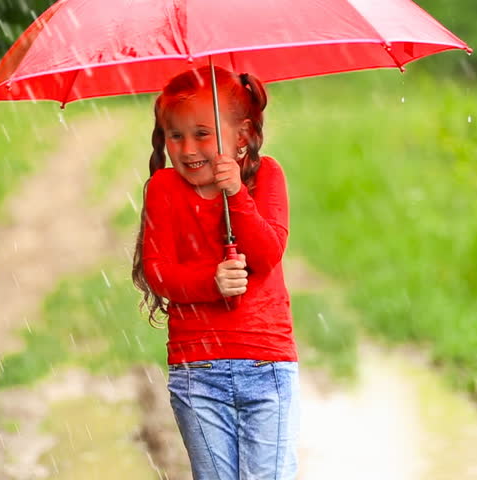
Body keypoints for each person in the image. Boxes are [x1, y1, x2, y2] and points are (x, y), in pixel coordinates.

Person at [132, 66, 299, 480]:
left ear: (240, 136)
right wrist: (211, 281)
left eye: (203, 134)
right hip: (197, 370)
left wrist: (237, 195)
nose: (188, 148)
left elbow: (267, 253)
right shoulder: (163, 189)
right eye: (176, 135)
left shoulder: (266, 177)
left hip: (267, 364)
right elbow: (157, 271)